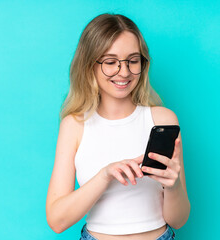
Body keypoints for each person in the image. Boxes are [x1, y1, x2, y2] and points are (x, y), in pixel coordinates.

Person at [46, 13, 190, 240]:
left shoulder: (163, 120)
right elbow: (57, 220)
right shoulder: (74, 125)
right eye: (111, 62)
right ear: (89, 65)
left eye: (133, 61)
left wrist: (172, 187)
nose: (124, 72)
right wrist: (105, 176)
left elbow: (178, 220)